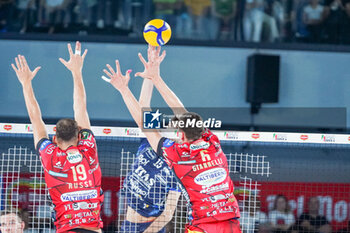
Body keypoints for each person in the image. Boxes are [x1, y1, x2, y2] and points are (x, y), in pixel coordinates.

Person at [101, 45, 241, 233]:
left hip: (200, 224)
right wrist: (154, 77)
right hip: (229, 221)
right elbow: (179, 112)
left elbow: (147, 121)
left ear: (180, 134)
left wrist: (125, 89)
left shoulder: (176, 155)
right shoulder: (212, 143)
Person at [11, 41, 104, 233]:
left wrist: (26, 83)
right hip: (93, 229)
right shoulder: (88, 148)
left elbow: (35, 118)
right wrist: (76, 72)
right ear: (79, 136)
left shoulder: (50, 155)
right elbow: (81, 107)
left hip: (67, 229)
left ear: (55, 138)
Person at [119, 75, 181, 232]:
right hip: (129, 226)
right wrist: (150, 73)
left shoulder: (178, 167)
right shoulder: (149, 140)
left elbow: (168, 214)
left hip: (151, 228)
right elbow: (143, 105)